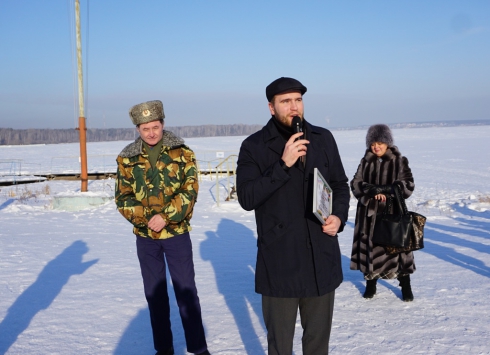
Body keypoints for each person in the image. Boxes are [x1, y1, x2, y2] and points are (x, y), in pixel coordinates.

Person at [236, 77, 350, 355]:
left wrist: (338, 216)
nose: (294, 106)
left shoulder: (322, 138)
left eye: (298, 100)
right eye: (285, 101)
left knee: (317, 345)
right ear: (271, 107)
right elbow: (247, 198)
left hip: (319, 257)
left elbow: (339, 185)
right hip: (280, 262)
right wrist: (282, 165)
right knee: (280, 346)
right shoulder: (254, 146)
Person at [115, 100, 210, 355]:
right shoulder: (127, 157)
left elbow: (190, 190)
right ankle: (164, 349)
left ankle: (199, 348)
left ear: (163, 124)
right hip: (146, 238)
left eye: (155, 127)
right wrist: (147, 218)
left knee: (186, 291)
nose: (151, 133)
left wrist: (166, 216)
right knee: (154, 295)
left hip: (176, 234)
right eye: (145, 128)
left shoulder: (182, 152)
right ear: (138, 129)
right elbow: (122, 198)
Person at [350, 124, 416, 301]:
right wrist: (370, 191)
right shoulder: (365, 162)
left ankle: (406, 286)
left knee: (397, 251)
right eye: (372, 143)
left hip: (393, 215)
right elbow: (355, 184)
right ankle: (371, 285)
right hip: (369, 217)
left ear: (387, 143)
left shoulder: (400, 161)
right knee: (371, 251)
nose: (376, 147)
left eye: (380, 142)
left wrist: (388, 190)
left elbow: (408, 185)